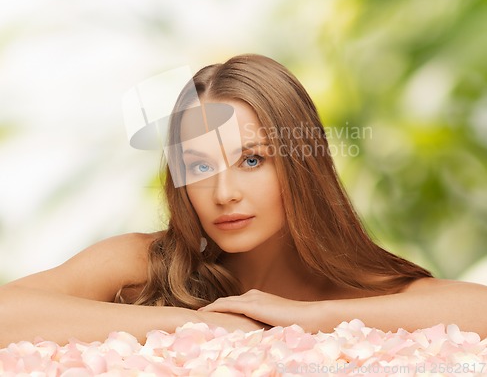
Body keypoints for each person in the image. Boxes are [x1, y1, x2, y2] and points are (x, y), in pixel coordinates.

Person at [1, 54, 486, 348]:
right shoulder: (144, 264)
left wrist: (311, 318)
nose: (224, 193)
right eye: (199, 167)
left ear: (301, 165)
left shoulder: (359, 294)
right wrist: (193, 327)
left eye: (252, 160)